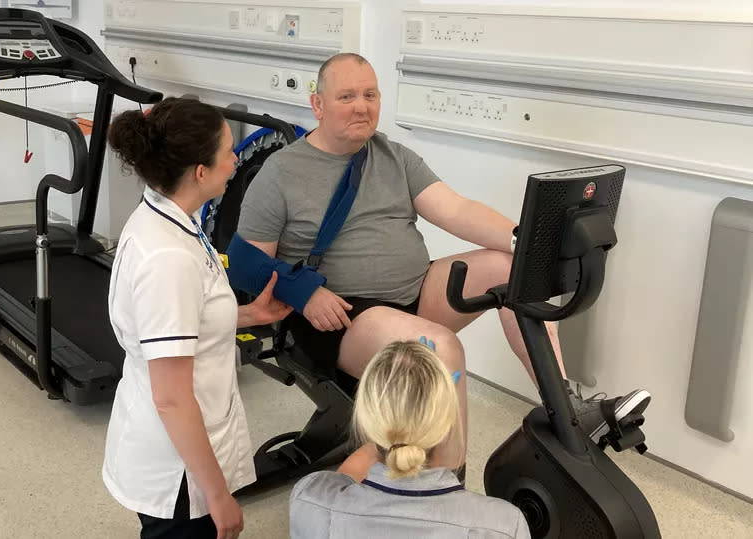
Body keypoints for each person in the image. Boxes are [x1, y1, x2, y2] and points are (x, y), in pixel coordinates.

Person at [233, 53, 651, 472]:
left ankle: (569, 408)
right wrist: (304, 293)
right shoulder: (282, 172)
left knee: (511, 267)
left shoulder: (394, 156)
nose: (361, 105)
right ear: (318, 105)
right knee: (443, 351)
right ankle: (449, 488)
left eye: (370, 94)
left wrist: (524, 241)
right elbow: (246, 262)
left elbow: (457, 210)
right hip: (338, 313)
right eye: (346, 96)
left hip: (414, 292)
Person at [102, 97, 292, 539]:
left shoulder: (168, 215)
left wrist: (246, 314)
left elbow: (185, 319)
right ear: (200, 172)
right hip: (178, 472)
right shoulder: (167, 257)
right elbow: (170, 397)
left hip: (176, 444)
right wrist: (218, 494)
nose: (235, 161)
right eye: (228, 151)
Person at [289, 340, 530, 538]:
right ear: (447, 421)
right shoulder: (504, 525)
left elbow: (345, 479)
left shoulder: (310, 498)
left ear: (365, 419)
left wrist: (397, 417)